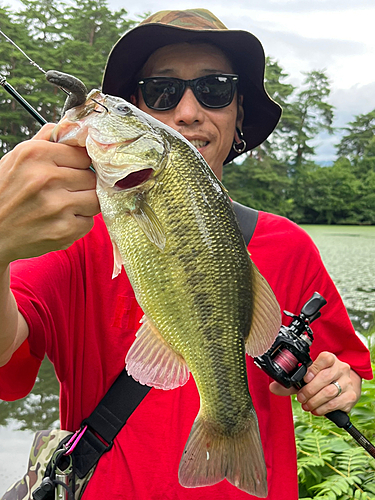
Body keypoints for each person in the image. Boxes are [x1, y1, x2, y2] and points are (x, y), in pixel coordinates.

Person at [0, 8, 372, 500]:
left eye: (214, 89)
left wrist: (337, 382)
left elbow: (340, 364)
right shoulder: (66, 236)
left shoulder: (289, 245)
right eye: (162, 92)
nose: (189, 112)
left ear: (238, 111)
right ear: (139, 107)